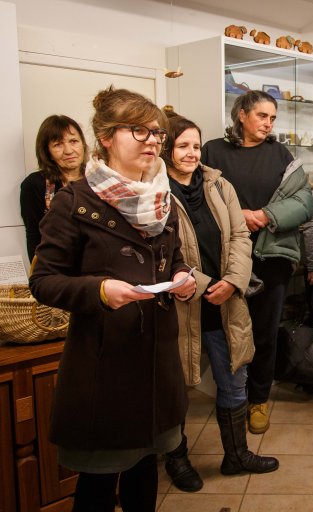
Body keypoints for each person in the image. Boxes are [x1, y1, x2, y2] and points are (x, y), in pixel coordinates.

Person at [29, 86, 196, 512]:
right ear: (105, 137)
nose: (152, 141)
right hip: (105, 366)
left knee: (145, 470)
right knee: (100, 484)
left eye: (156, 132)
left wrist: (182, 277)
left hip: (157, 360)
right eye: (139, 131)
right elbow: (44, 281)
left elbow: (174, 258)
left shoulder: (162, 197)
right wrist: (100, 290)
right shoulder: (74, 201)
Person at [161, 111, 279, 492]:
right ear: (166, 148)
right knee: (175, 388)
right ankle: (177, 459)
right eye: (183, 145)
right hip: (181, 307)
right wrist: (204, 284)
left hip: (225, 302)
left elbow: (241, 237)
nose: (192, 153)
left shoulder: (219, 185)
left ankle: (236, 455)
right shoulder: (155, 190)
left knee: (234, 380)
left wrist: (232, 281)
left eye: (196, 146)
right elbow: (160, 253)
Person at [202, 90, 313, 435]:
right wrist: (240, 215)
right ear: (242, 115)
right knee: (227, 331)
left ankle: (259, 400)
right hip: (225, 259)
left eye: (272, 118)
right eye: (262, 116)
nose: (268, 124)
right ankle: (232, 397)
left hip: (270, 258)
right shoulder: (213, 151)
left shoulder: (280, 154)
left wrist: (264, 215)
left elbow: (304, 200)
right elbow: (200, 196)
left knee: (264, 333)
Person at [20, 114, 88, 261]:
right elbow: (34, 236)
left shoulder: (99, 179)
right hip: (58, 265)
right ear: (47, 152)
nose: (68, 150)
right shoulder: (34, 184)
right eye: (58, 144)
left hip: (99, 264)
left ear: (83, 144)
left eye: (74, 141)